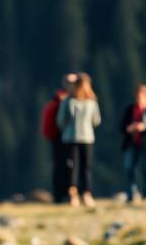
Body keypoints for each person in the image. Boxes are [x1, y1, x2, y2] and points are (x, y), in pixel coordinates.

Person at [57, 72, 102, 207]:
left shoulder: (91, 102)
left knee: (86, 168)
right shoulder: (68, 101)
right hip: (71, 139)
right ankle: (73, 194)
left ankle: (86, 193)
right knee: (73, 167)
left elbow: (96, 120)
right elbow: (60, 120)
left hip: (86, 138)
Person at [119, 83, 146, 202]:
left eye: (141, 96)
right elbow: (121, 126)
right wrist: (129, 128)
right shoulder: (130, 109)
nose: (139, 98)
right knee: (129, 168)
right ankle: (131, 194)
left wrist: (144, 127)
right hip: (131, 143)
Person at [40, 73, 77, 203]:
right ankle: (61, 195)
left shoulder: (59, 97)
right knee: (64, 166)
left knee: (65, 166)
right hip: (61, 137)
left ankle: (63, 195)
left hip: (63, 136)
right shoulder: (63, 99)